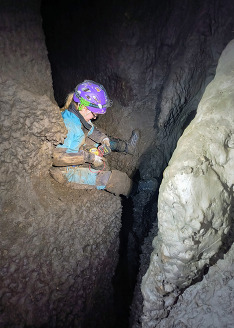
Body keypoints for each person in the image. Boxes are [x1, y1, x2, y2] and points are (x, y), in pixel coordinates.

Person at [50, 80, 139, 196]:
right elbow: (57, 158)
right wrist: (90, 158)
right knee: (115, 179)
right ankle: (138, 191)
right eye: (94, 114)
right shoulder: (69, 126)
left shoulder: (78, 117)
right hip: (66, 172)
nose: (94, 118)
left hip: (76, 149)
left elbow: (93, 131)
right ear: (84, 107)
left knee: (103, 141)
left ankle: (127, 148)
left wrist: (104, 140)